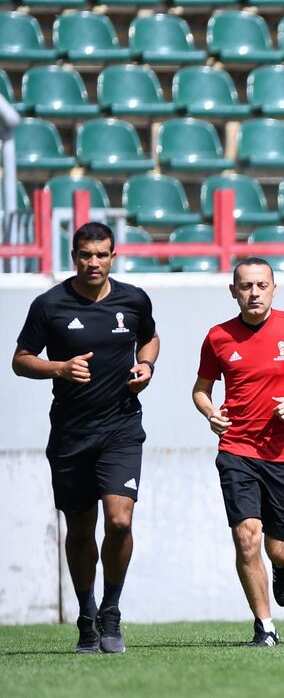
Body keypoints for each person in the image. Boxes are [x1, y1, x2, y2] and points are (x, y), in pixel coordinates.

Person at [14, 222, 159, 654]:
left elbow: (149, 338)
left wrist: (146, 367)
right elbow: (21, 360)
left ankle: (110, 611)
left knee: (119, 521)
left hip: (121, 429)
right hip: (71, 435)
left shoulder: (133, 299)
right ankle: (85, 615)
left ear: (114, 256)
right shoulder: (50, 304)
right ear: (73, 256)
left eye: (101, 254)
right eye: (84, 255)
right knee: (80, 529)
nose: (92, 262)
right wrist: (58, 368)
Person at [192, 259, 284, 647]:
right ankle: (265, 626)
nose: (254, 292)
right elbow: (201, 389)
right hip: (238, 449)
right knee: (246, 537)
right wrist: (211, 413)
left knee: (282, 550)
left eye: (261, 285)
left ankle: (283, 568)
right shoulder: (218, 336)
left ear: (274, 288)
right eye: (246, 286)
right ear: (233, 291)